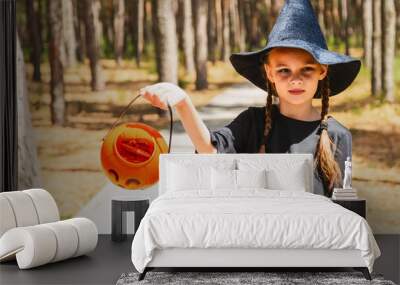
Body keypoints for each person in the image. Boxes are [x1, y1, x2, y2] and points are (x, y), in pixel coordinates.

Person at [139, 0, 358, 197]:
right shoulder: (253, 123)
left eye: (307, 69)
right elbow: (209, 150)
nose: (296, 80)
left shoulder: (337, 136)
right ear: (269, 73)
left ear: (322, 71)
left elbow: (340, 212)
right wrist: (182, 102)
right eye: (284, 70)